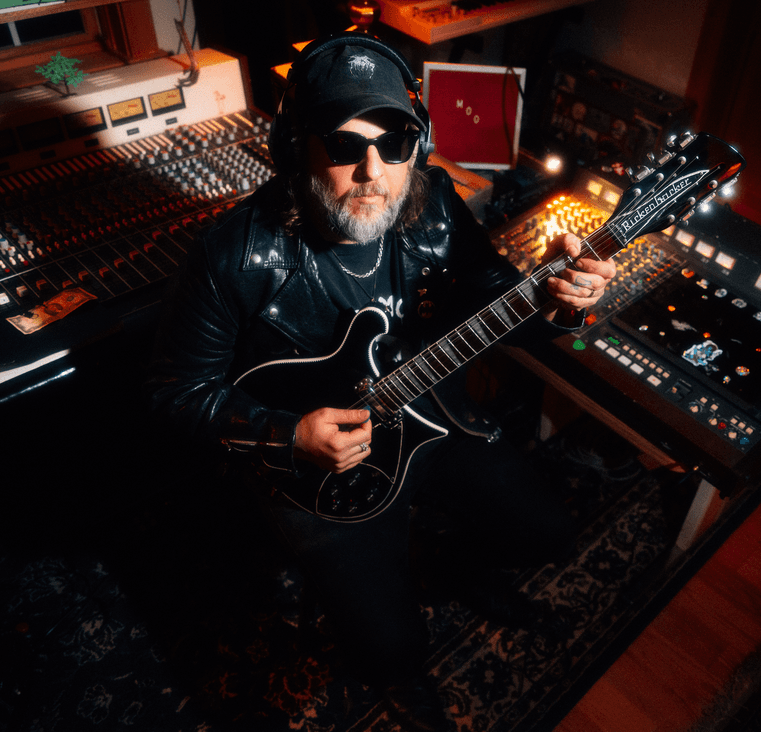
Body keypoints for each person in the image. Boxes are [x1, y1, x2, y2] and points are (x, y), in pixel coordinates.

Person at [146, 33, 615, 731]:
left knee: (546, 532)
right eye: (343, 144)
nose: (374, 170)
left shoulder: (430, 205)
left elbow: (498, 301)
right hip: (319, 469)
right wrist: (286, 435)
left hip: (430, 416)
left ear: (416, 146)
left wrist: (562, 301)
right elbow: (174, 395)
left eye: (394, 141)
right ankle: (396, 673)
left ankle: (447, 565)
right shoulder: (235, 255)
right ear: (293, 149)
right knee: (390, 643)